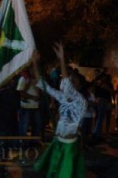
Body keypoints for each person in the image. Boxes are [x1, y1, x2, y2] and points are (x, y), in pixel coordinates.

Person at [32, 42, 87, 178]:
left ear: (79, 87)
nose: (69, 81)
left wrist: (62, 59)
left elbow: (66, 84)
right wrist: (34, 62)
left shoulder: (80, 101)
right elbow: (41, 82)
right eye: (70, 79)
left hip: (69, 147)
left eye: (74, 81)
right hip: (58, 142)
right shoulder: (62, 97)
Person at [0, 78, 20, 178]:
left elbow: (17, 109)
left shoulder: (15, 93)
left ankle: (0, 171)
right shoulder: (0, 93)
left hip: (9, 126)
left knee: (5, 151)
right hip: (1, 126)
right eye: (13, 81)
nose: (15, 82)